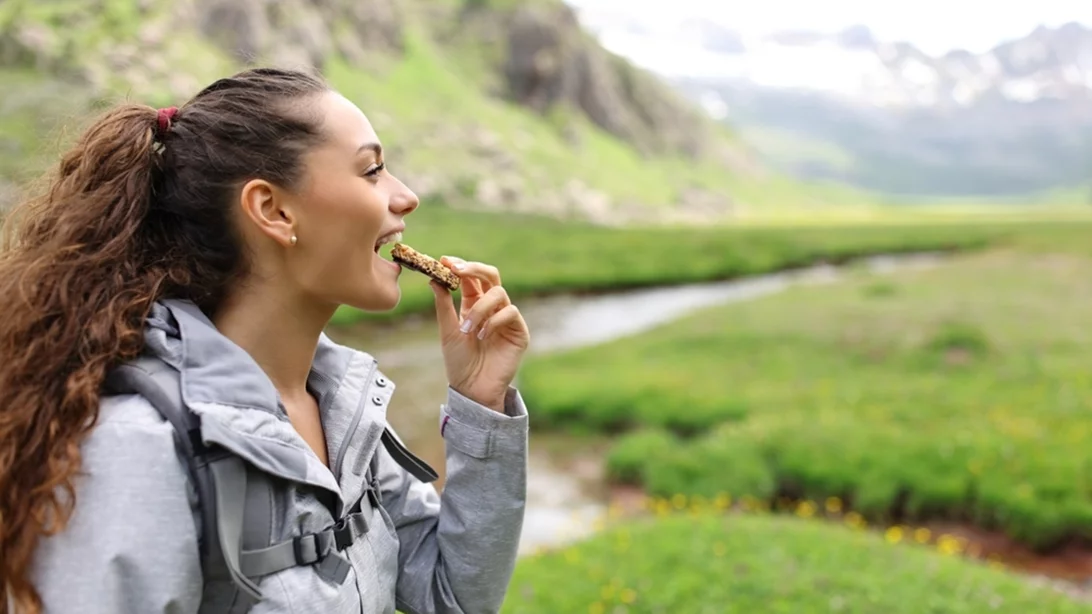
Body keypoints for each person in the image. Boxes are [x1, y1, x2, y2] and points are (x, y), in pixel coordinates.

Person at [0, 67, 531, 614]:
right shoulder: (137, 449)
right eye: (372, 170)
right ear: (274, 211)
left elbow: (453, 597)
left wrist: (480, 400)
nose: (407, 196)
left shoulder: (345, 414)